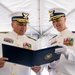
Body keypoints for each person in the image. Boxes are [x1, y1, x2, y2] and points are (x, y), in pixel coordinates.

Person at [46, 8, 75, 75]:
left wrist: (68, 53)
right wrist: (50, 66)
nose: (55, 24)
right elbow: (47, 65)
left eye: (57, 20)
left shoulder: (73, 36)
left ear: (64, 19)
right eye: (53, 21)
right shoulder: (51, 41)